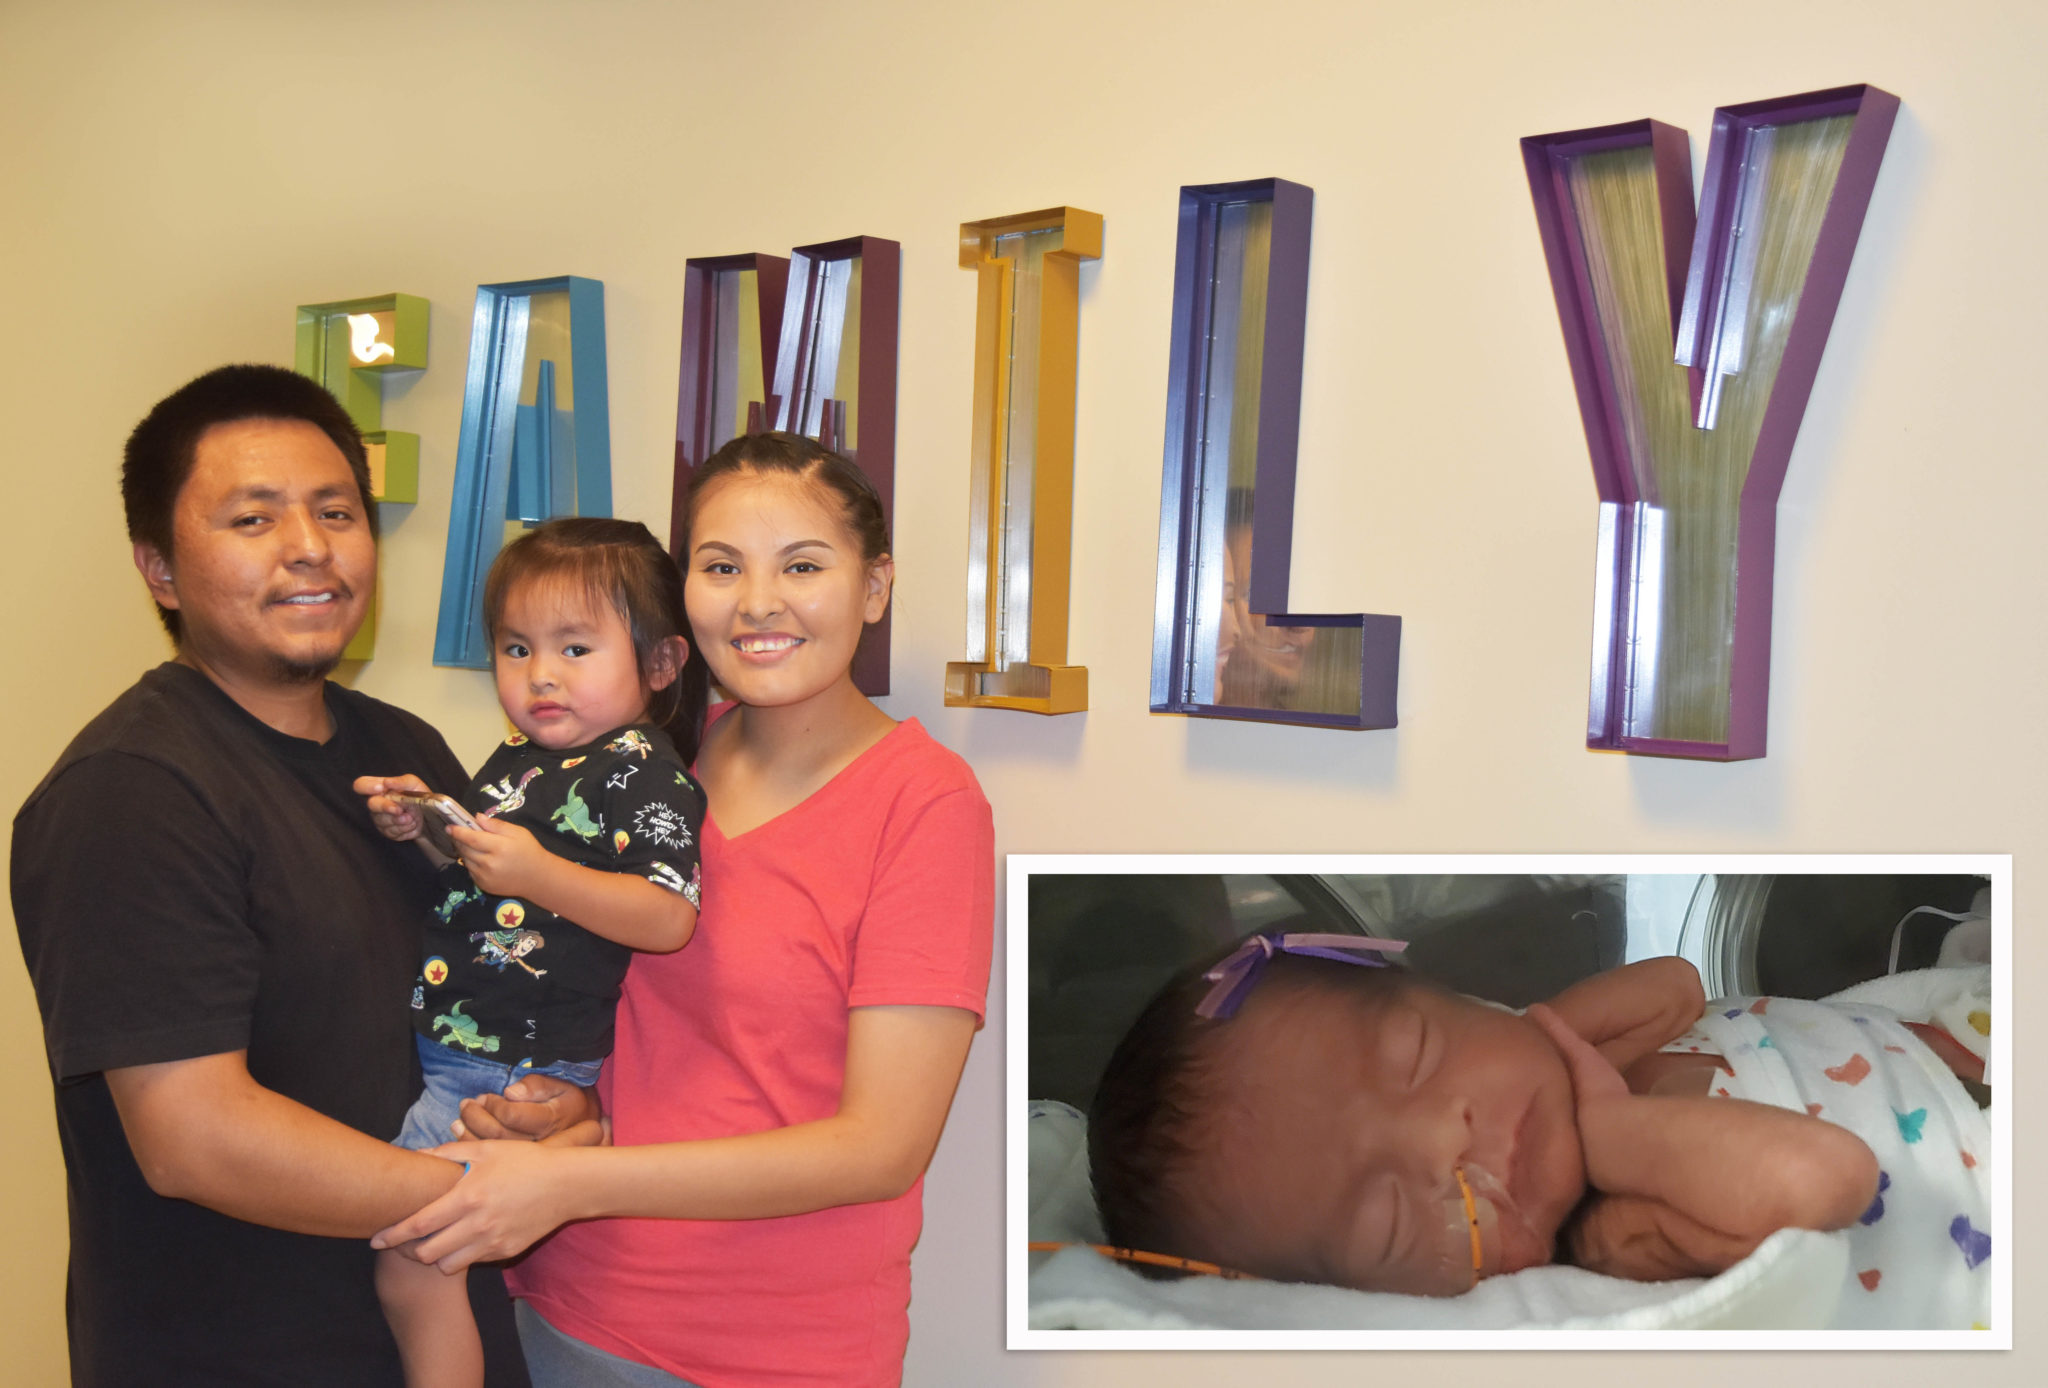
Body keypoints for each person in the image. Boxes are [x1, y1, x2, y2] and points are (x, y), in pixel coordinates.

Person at [372, 432, 996, 1387]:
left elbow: (880, 1149)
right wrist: (570, 1111)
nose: (757, 603)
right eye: (720, 567)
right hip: (557, 1301)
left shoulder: (924, 805)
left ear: (874, 588)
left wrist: (570, 1180)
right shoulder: (652, 759)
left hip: (763, 1349)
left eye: (802, 565)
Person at [10, 364, 525, 1385]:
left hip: (438, 1329)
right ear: (159, 569)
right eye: (253, 519)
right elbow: (193, 1136)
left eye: (336, 511)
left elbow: (492, 985)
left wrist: (546, 1118)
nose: (309, 548)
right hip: (237, 1347)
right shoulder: (133, 789)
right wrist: (481, 1192)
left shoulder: (400, 744)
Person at [1086, 941, 1991, 1326]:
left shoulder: (1561, 1052)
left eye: (1415, 1050)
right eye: (1391, 1223)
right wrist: (1610, 1137)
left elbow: (1677, 983)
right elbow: (1824, 1178)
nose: (1446, 1138)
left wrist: (1535, 1032)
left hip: (1963, 1043)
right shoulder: (1619, 1236)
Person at [359, 518, 705, 1388]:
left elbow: (668, 917)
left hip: (509, 1065)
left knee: (411, 1259)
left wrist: (541, 871)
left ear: (659, 666)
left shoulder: (644, 773)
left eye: (576, 647)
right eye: (517, 648)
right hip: (460, 1045)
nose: (540, 674)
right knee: (421, 1252)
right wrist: (427, 828)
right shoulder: (520, 757)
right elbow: (488, 875)